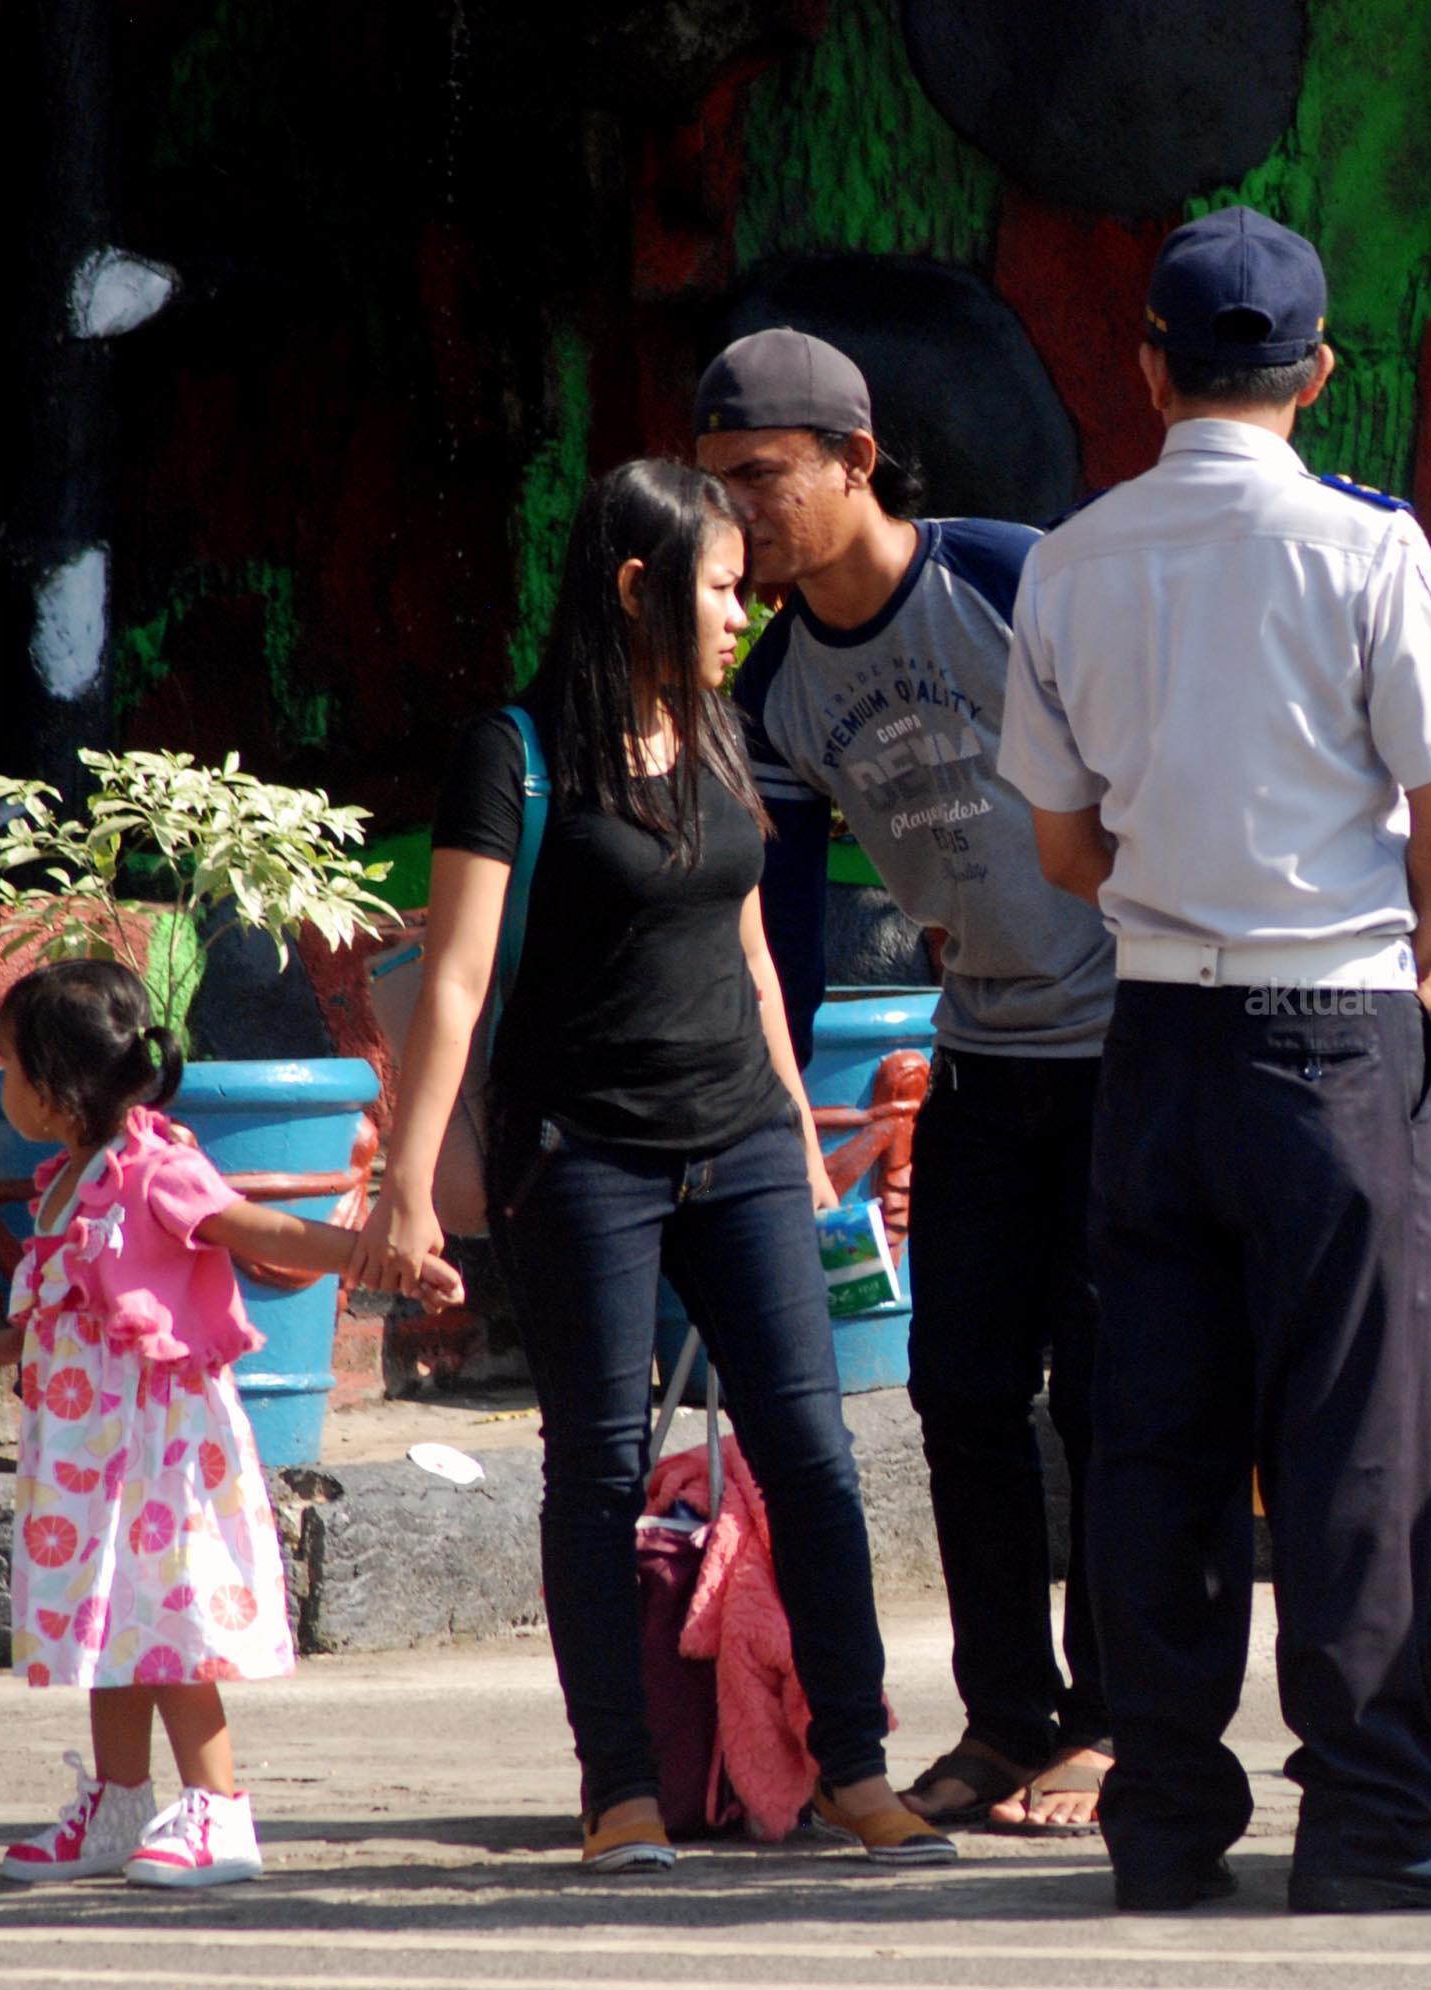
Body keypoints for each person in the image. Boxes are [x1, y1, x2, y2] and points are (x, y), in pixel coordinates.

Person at [996, 205, 1431, 1916]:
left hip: (1156, 1033)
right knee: (1354, 1435)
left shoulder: (1071, 559)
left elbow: (1064, 849)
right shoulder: (1368, 549)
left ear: (1148, 368)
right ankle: (1369, 1814)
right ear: (1318, 374)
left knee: (1153, 1431)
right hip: (1335, 1033)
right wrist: (1421, 950)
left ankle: (1164, 1820)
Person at [352, 457, 954, 1874]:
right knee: (598, 1465)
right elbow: (456, 981)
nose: (746, 614)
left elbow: (751, 951)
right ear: (638, 587)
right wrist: (405, 1184)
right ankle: (618, 1785)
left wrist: (801, 1132)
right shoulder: (515, 752)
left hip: (741, 1139)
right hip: (584, 1153)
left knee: (814, 1452)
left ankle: (853, 1763)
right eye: (723, 589)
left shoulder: (718, 731)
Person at [694, 329, 1120, 1837]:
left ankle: (1111, 1718)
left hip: (1129, 1044)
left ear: (856, 461)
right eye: (715, 485)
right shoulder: (775, 688)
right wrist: (774, 1124)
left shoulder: (1014, 576)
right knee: (959, 1390)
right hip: (984, 1056)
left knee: (1112, 1392)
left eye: (762, 476)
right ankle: (1006, 1718)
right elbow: (784, 930)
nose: (738, 514)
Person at [0, 959, 459, 1889]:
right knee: (107, 1622)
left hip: (158, 1450)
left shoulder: (157, 1170)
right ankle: (118, 1801)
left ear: (56, 1087)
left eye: (11, 1066)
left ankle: (219, 1811)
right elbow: (81, 1304)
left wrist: (377, 1259)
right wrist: (9, 1344)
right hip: (83, 1459)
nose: (0, 1085)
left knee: (170, 1619)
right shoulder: (66, 1180)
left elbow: (262, 1230)